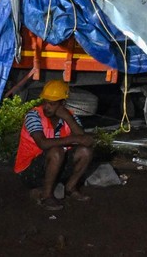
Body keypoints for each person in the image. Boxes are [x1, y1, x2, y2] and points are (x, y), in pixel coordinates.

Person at [13, 80, 95, 211]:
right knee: (56, 151)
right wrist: (73, 139)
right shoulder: (33, 116)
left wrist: (68, 118)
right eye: (45, 102)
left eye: (52, 104)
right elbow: (43, 143)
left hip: (54, 165)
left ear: (63, 104)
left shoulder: (69, 116)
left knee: (85, 151)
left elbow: (85, 140)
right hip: (29, 170)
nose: (47, 107)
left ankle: (70, 188)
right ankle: (46, 196)